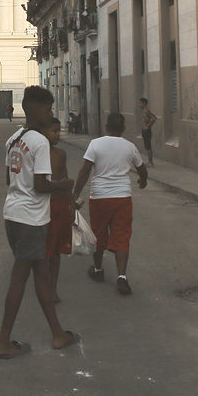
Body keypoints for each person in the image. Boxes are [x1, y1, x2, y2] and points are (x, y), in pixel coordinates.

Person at [0, 85, 80, 358]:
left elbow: (10, 179)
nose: (51, 113)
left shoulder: (14, 139)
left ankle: (58, 333)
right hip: (31, 218)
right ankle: (3, 341)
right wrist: (64, 184)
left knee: (42, 274)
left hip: (13, 213)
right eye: (48, 109)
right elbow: (41, 185)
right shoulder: (40, 142)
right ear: (34, 110)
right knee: (19, 277)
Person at [72, 112, 148, 296]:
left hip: (100, 198)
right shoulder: (130, 147)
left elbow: (85, 171)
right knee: (121, 234)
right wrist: (142, 181)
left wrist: (75, 195)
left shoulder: (96, 144)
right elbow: (142, 169)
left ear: (106, 127)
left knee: (99, 234)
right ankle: (121, 277)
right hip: (122, 198)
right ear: (123, 129)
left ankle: (98, 270)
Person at [43, 116, 72, 304]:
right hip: (43, 206)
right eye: (53, 131)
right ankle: (44, 287)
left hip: (60, 205)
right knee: (44, 250)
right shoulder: (37, 154)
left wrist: (73, 204)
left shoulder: (61, 154)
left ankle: (53, 288)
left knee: (57, 250)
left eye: (58, 131)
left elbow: (65, 179)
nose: (57, 135)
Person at [138, 98, 157, 166]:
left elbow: (154, 118)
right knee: (147, 145)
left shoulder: (146, 111)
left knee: (148, 146)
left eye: (140, 103)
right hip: (145, 130)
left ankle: (150, 162)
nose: (139, 105)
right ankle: (149, 161)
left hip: (147, 130)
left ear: (144, 103)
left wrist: (148, 126)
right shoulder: (144, 111)